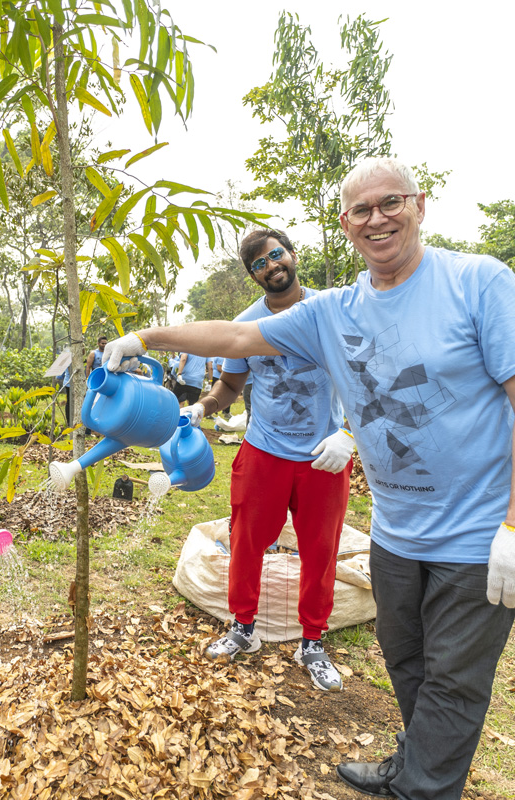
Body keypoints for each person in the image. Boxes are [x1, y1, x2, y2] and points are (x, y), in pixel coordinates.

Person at [102, 156, 515, 800]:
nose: (378, 219)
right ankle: (414, 761)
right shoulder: (331, 314)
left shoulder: (478, 282)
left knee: (454, 679)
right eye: (361, 210)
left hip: (478, 532)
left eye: (391, 203)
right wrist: (144, 336)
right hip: (397, 533)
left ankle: (422, 787)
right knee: (406, 664)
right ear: (344, 225)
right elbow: (233, 339)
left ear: (420, 205)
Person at [180, 229, 351, 693]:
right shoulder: (246, 325)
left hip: (324, 456)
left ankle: (312, 641)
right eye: (260, 263)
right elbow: (231, 387)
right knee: (247, 541)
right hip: (264, 452)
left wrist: (348, 434)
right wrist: (201, 408)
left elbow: (365, 377)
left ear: (292, 256)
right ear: (253, 275)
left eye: (276, 255)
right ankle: (243, 628)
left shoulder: (330, 311)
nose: (271, 265)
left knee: (321, 549)